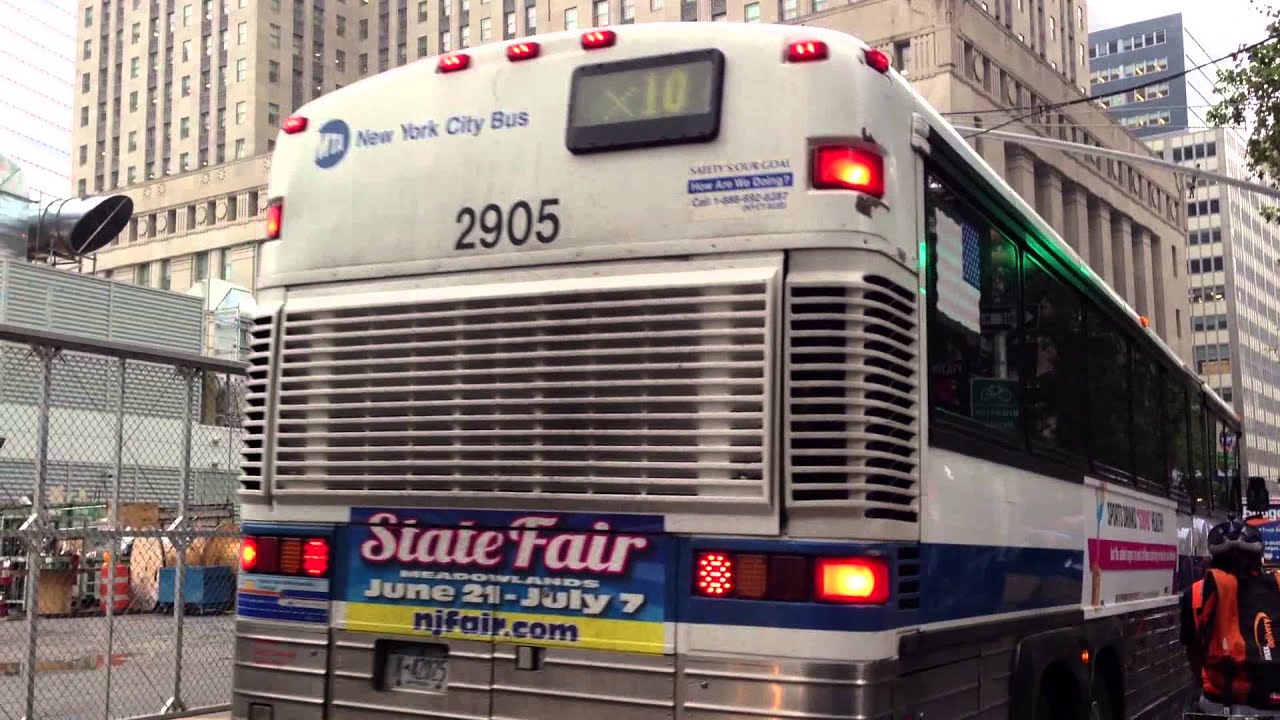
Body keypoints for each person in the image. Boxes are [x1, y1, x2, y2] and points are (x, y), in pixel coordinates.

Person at [1180, 516, 1280, 716]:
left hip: (1218, 703)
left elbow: (1194, 651)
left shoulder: (1197, 593)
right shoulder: (1277, 585)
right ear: (1259, 556)